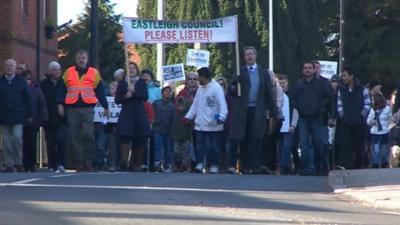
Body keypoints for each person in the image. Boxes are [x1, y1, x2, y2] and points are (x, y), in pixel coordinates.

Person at [57, 50, 110, 171]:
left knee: (88, 134)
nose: (81, 60)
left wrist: (105, 107)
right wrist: (59, 104)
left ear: (87, 59)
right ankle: (79, 163)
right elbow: (61, 89)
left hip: (87, 108)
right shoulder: (68, 72)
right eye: (79, 58)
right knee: (75, 137)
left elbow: (100, 91)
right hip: (72, 108)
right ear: (76, 59)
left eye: (83, 58)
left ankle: (88, 161)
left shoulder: (94, 73)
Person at [228, 46, 277, 174]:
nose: (249, 56)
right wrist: (234, 84)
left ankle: (255, 166)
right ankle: (244, 166)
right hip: (243, 110)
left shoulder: (263, 72)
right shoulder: (240, 71)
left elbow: (268, 92)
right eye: (247, 54)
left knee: (255, 138)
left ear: (255, 56)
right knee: (242, 138)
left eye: (251, 54)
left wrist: (274, 110)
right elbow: (231, 91)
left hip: (257, 110)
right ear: (244, 57)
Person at [290, 62, 335, 176]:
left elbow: (330, 99)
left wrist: (330, 116)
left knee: (319, 143)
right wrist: (299, 106)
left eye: (310, 68)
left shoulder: (323, 84)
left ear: (314, 70)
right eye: (305, 68)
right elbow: (292, 99)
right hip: (303, 119)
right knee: (304, 144)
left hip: (318, 118)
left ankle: (319, 167)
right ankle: (306, 168)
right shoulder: (298, 84)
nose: (307, 70)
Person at [185, 67, 228, 174]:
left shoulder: (216, 88)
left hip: (214, 124)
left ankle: (214, 165)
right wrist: (188, 116)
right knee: (200, 146)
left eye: (199, 77)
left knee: (214, 147)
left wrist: (222, 117)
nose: (197, 79)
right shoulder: (200, 88)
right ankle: (200, 164)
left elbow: (223, 104)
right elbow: (195, 105)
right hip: (200, 123)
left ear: (204, 77)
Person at [115, 67, 150, 171]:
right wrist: (126, 96)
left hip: (139, 113)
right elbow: (117, 100)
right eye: (129, 68)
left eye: (134, 68)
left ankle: (136, 164)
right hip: (127, 113)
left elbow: (144, 96)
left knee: (139, 138)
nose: (132, 70)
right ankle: (124, 163)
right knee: (125, 137)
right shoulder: (122, 83)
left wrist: (134, 92)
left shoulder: (141, 82)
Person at [0, 59, 32, 172]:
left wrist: (29, 114)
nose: (9, 68)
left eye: (11, 66)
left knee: (17, 138)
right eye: (7, 65)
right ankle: (9, 164)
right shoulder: (0, 81)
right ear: (4, 67)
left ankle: (18, 162)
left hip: (18, 116)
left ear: (15, 68)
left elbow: (28, 99)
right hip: (3, 116)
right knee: (6, 142)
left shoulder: (21, 81)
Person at [336, 67, 371, 169]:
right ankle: (346, 164)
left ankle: (360, 165)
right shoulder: (341, 90)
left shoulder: (362, 89)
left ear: (351, 76)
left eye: (345, 75)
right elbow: (339, 105)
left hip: (359, 122)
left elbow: (368, 104)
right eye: (342, 75)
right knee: (346, 144)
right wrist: (344, 116)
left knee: (359, 144)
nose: (343, 78)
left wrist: (361, 116)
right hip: (347, 122)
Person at [41, 61, 68, 172]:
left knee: (60, 140)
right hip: (48, 117)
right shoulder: (43, 84)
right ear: (50, 71)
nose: (57, 72)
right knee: (50, 142)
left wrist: (63, 105)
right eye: (54, 70)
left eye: (58, 69)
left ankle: (61, 163)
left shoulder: (64, 83)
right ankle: (52, 164)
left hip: (61, 118)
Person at [22, 71, 48, 172]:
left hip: (34, 120)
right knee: (24, 143)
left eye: (28, 79)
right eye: (24, 79)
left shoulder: (36, 90)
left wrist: (44, 117)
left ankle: (32, 164)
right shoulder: (20, 90)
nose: (26, 81)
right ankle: (25, 164)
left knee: (32, 142)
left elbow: (42, 104)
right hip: (22, 120)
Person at [277, 75, 299, 175]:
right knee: (280, 147)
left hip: (289, 125)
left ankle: (285, 167)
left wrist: (293, 124)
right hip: (278, 126)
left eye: (283, 83)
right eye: (280, 83)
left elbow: (295, 110)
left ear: (287, 83)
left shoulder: (292, 95)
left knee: (287, 146)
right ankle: (284, 165)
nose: (281, 85)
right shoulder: (276, 94)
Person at [152, 86, 175, 172]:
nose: (168, 93)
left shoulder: (172, 106)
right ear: (162, 93)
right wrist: (154, 122)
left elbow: (174, 119)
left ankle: (168, 164)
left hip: (168, 129)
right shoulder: (156, 103)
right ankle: (157, 162)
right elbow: (152, 115)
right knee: (158, 146)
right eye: (166, 91)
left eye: (170, 91)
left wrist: (172, 129)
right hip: (157, 128)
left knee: (167, 148)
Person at [367, 92, 392, 168]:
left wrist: (389, 127)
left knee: (384, 149)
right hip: (375, 132)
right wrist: (372, 122)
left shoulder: (387, 109)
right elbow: (368, 121)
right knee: (376, 149)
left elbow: (390, 120)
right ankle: (376, 163)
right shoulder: (373, 110)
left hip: (384, 132)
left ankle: (384, 162)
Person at [173, 95, 193, 172]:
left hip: (186, 137)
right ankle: (177, 164)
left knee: (185, 152)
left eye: (182, 104)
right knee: (176, 152)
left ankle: (185, 166)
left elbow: (191, 125)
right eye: (179, 104)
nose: (180, 106)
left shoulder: (188, 115)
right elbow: (173, 125)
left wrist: (188, 122)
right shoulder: (175, 114)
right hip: (176, 137)